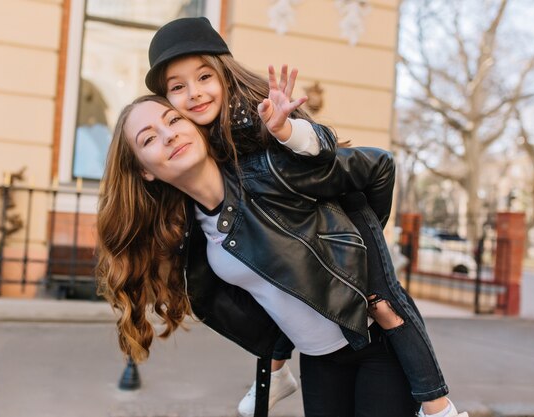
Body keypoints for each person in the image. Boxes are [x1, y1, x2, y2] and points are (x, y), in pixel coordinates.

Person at [141, 16, 468, 417]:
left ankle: (438, 404)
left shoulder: (258, 117)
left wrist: (287, 132)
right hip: (318, 352)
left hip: (358, 284)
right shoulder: (196, 150)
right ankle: (277, 370)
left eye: (204, 76)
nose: (194, 93)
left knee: (391, 300)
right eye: (178, 87)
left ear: (224, 75)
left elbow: (334, 151)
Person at [97, 88, 420, 417]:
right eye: (148, 139)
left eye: (174, 120)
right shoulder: (189, 234)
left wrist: (361, 260)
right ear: (144, 171)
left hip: (375, 340)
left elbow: (379, 166)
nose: (168, 136)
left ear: (195, 127)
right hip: (318, 359)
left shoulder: (268, 173)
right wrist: (276, 353)